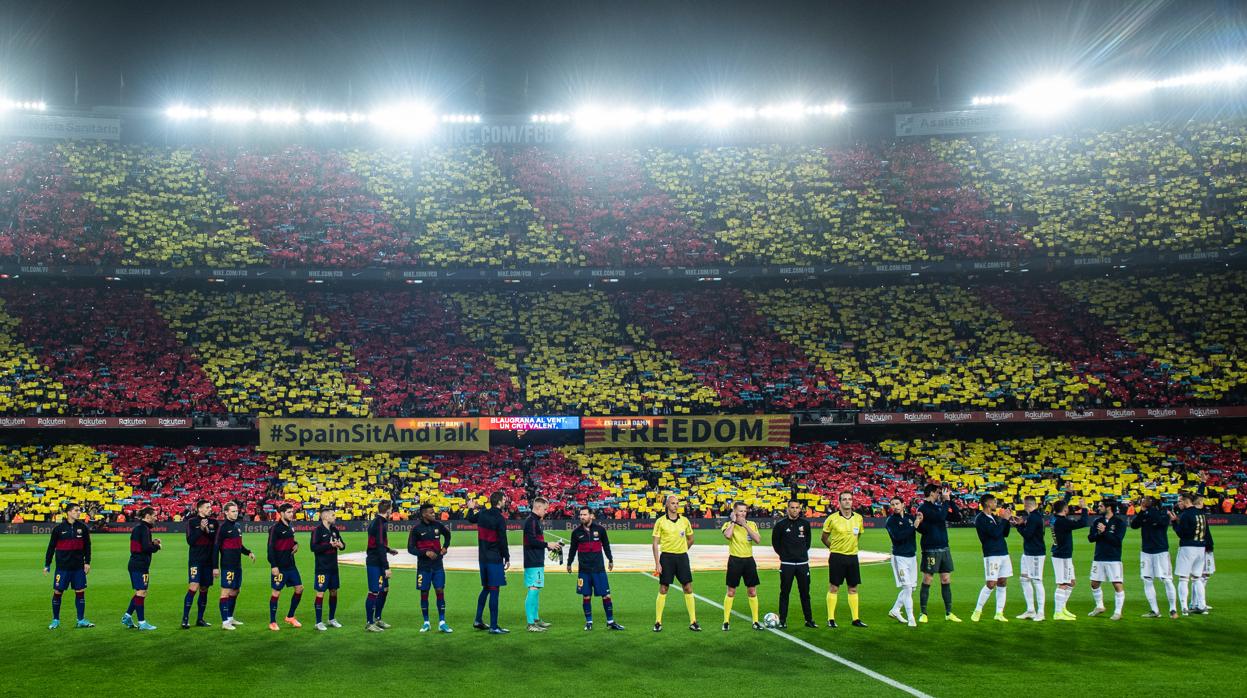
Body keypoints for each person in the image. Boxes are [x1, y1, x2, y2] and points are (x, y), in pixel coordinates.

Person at [566, 506, 624, 631]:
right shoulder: (576, 532)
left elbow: (606, 545)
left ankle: (610, 621)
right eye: (580, 515)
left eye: (585, 514)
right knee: (586, 596)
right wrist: (569, 563)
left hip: (599, 569)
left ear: (591, 515)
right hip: (584, 570)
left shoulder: (600, 530)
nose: (582, 517)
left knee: (606, 596)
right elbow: (572, 549)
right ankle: (589, 622)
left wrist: (610, 559)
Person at [652, 493, 699, 632]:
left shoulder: (684, 521)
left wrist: (683, 549)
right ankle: (658, 622)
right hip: (666, 558)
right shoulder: (660, 521)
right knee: (663, 588)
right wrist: (657, 563)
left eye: (677, 503)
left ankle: (693, 621)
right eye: (673, 503)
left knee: (688, 587)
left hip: (682, 557)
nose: (676, 505)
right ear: (667, 505)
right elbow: (655, 544)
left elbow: (691, 539)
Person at [916, 484, 962, 622]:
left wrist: (951, 500)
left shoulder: (937, 507)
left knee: (946, 579)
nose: (939, 495)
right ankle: (923, 613)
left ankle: (948, 613)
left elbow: (957, 517)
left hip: (944, 547)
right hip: (931, 548)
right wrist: (946, 501)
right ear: (931, 493)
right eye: (937, 492)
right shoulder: (923, 508)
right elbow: (940, 518)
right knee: (928, 579)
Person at [44, 502, 93, 629]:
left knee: (80, 592)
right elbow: (51, 547)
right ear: (69, 512)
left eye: (79, 510)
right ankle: (55, 620)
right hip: (62, 568)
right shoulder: (58, 529)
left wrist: (87, 562)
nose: (78, 512)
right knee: (58, 592)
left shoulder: (83, 528)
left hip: (78, 567)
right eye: (76, 510)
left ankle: (81, 620)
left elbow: (87, 546)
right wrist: (47, 564)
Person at [821, 491, 866, 628]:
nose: (847, 501)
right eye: (844, 499)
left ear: (853, 502)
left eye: (850, 499)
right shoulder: (832, 518)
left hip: (852, 557)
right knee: (834, 587)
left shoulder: (858, 518)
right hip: (837, 556)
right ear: (839, 502)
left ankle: (856, 619)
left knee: (853, 588)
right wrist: (833, 548)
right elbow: (824, 538)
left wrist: (851, 547)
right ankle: (831, 619)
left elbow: (857, 536)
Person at [468, 491, 511, 634]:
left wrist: (470, 507)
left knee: (486, 588)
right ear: (498, 501)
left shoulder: (482, 514)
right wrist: (507, 557)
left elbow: (470, 519)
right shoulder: (499, 518)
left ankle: (478, 620)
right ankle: (493, 626)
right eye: (504, 499)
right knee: (494, 590)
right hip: (494, 558)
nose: (505, 501)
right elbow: (503, 540)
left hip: (482, 558)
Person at [407, 502, 453, 633]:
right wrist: (425, 553)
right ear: (423, 514)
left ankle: (442, 622)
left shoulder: (438, 525)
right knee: (424, 593)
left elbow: (448, 535)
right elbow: (410, 548)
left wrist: (445, 547)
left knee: (440, 591)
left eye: (434, 512)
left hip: (438, 566)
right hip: (423, 567)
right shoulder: (416, 529)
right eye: (431, 512)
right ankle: (426, 622)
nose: (434, 514)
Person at [1130, 496, 1177, 619]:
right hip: (1146, 551)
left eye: (1145, 501)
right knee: (1147, 579)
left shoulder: (1163, 514)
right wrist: (1142, 511)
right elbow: (1134, 525)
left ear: (1151, 503)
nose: (1142, 502)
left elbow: (1160, 522)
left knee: (1166, 579)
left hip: (1160, 551)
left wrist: (1148, 510)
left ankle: (1173, 609)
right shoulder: (1145, 513)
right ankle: (1154, 610)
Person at [771, 498, 815, 629]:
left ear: (799, 509)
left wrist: (800, 554)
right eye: (792, 507)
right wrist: (785, 555)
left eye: (797, 507)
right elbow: (775, 544)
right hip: (787, 564)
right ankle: (783, 620)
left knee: (805, 593)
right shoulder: (780, 525)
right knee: (784, 593)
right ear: (787, 509)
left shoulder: (805, 524)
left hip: (802, 564)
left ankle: (809, 620)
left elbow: (807, 543)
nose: (795, 510)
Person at [522, 497, 563, 632]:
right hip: (532, 561)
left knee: (536, 589)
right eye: (545, 509)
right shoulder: (531, 521)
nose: (546, 512)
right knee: (533, 589)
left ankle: (535, 619)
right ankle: (530, 623)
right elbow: (531, 541)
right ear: (538, 507)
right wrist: (547, 544)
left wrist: (549, 547)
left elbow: (536, 541)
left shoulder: (535, 521)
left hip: (536, 560)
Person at [970, 494, 1013, 623]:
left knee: (1003, 582)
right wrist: (1004, 520)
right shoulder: (981, 519)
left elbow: (1004, 533)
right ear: (988, 503)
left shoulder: (993, 517)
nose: (996, 504)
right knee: (991, 584)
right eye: (994, 502)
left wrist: (1007, 520)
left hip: (1003, 553)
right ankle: (978, 610)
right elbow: (994, 534)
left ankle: (999, 613)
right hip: (992, 554)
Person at [720, 501, 763, 631]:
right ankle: (726, 621)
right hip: (735, 561)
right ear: (734, 512)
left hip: (749, 561)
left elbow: (758, 540)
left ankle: (755, 621)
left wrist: (745, 526)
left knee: (752, 591)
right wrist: (734, 522)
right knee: (731, 592)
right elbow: (727, 535)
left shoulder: (752, 524)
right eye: (740, 511)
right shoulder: (728, 525)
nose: (743, 513)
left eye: (745, 511)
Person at [214, 501, 256, 630]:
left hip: (237, 565)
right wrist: (215, 567)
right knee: (225, 592)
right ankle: (224, 621)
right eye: (233, 511)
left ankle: (230, 618)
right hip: (227, 565)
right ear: (226, 513)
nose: (235, 513)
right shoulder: (223, 528)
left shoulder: (237, 526)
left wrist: (248, 552)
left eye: (236, 511)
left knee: (236, 590)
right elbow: (215, 548)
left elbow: (239, 545)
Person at [884, 496, 921, 627]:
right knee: (907, 587)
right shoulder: (890, 521)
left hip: (912, 556)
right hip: (899, 557)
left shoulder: (910, 518)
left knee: (911, 588)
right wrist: (914, 526)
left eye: (897, 503)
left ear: (903, 504)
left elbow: (918, 529)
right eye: (892, 504)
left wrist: (920, 521)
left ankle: (895, 610)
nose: (895, 506)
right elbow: (898, 537)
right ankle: (911, 618)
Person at [266, 503, 304, 631]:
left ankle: (290, 616)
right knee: (276, 592)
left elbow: (291, 542)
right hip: (280, 566)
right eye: (288, 512)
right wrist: (274, 565)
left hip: (291, 566)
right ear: (281, 514)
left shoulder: (290, 527)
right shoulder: (275, 529)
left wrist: (296, 544)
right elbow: (270, 548)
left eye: (292, 512)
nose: (291, 514)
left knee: (299, 589)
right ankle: (272, 621)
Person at [1087, 500, 1127, 620]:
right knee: (1094, 584)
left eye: (1101, 506)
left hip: (1113, 558)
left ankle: (1118, 612)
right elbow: (1090, 538)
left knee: (1117, 584)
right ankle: (1099, 606)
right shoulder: (1097, 521)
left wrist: (1104, 532)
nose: (1098, 508)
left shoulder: (1119, 522)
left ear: (1109, 508)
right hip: (1099, 557)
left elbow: (1117, 541)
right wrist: (1099, 534)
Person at [123, 506, 161, 630]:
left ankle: (128, 616)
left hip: (136, 563)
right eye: (154, 515)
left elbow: (142, 545)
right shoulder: (144, 529)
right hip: (139, 564)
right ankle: (142, 622)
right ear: (148, 516)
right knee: (141, 592)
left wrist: (153, 543)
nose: (156, 517)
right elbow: (146, 548)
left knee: (141, 591)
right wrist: (157, 547)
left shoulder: (140, 528)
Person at [1050, 497, 1087, 621]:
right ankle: (1058, 612)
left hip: (1063, 554)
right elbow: (1082, 523)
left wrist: (1068, 495)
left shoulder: (1054, 519)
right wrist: (1084, 508)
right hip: (1062, 556)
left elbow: (1059, 505)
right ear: (1065, 509)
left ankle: (1063, 608)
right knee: (1063, 584)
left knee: (1071, 582)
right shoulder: (1062, 522)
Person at [182, 499, 218, 629]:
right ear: (200, 509)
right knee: (193, 587)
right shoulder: (191, 522)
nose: (210, 509)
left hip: (208, 562)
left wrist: (215, 566)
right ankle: (185, 619)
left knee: (204, 589)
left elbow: (215, 543)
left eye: (210, 506)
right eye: (207, 507)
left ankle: (200, 619)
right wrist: (200, 529)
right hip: (195, 561)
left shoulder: (214, 522)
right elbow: (190, 541)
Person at [309, 506, 346, 631]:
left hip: (333, 567)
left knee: (334, 591)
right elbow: (313, 547)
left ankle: (331, 619)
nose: (335, 517)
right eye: (333, 515)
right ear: (325, 517)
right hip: (322, 568)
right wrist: (328, 545)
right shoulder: (317, 531)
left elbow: (343, 545)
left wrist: (341, 545)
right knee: (320, 593)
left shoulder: (335, 530)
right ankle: (318, 622)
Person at [364, 500, 399, 632]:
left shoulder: (378, 521)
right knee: (374, 591)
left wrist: (389, 550)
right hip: (375, 562)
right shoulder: (379, 523)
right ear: (389, 510)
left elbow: (378, 543)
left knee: (384, 590)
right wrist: (386, 567)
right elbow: (378, 545)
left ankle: (377, 619)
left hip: (377, 560)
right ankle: (369, 622)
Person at [1173, 491, 1208, 615]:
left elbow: (1181, 533)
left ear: (1186, 501)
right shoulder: (1201, 513)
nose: (1178, 504)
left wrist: (1173, 522)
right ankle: (1202, 606)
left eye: (1180, 501)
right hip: (1201, 548)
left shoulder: (1185, 515)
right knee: (1197, 578)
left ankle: (1184, 608)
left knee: (1183, 578)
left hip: (1188, 548)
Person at [1014, 495, 1046, 621]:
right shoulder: (1036, 516)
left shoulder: (1033, 517)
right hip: (1028, 553)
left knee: (1037, 581)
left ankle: (1041, 612)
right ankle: (1031, 610)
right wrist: (1022, 523)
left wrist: (1018, 525)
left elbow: (1027, 535)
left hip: (1035, 553)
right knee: (1024, 579)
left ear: (1026, 504)